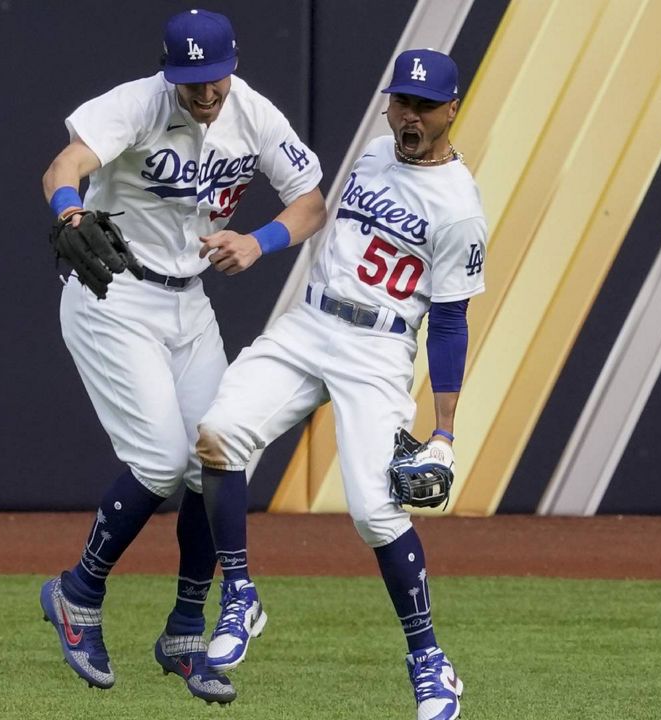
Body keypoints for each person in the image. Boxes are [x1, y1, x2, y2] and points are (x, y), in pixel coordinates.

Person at [36, 8, 326, 705]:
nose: (203, 93)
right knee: (163, 461)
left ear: (232, 64)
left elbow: (310, 202)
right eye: (189, 79)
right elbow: (63, 166)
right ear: (171, 71)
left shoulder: (252, 113)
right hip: (115, 290)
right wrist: (73, 213)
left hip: (187, 301)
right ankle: (78, 592)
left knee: (218, 455)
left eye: (213, 78)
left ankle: (186, 630)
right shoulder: (138, 103)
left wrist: (260, 242)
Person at [195, 49, 484, 720]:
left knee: (376, 513)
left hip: (377, 349)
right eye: (400, 102)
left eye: (422, 106)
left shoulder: (460, 209)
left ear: (451, 111)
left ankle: (431, 664)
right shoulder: (376, 154)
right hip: (310, 324)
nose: (408, 116)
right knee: (216, 437)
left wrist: (443, 431)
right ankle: (239, 593)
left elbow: (449, 323)